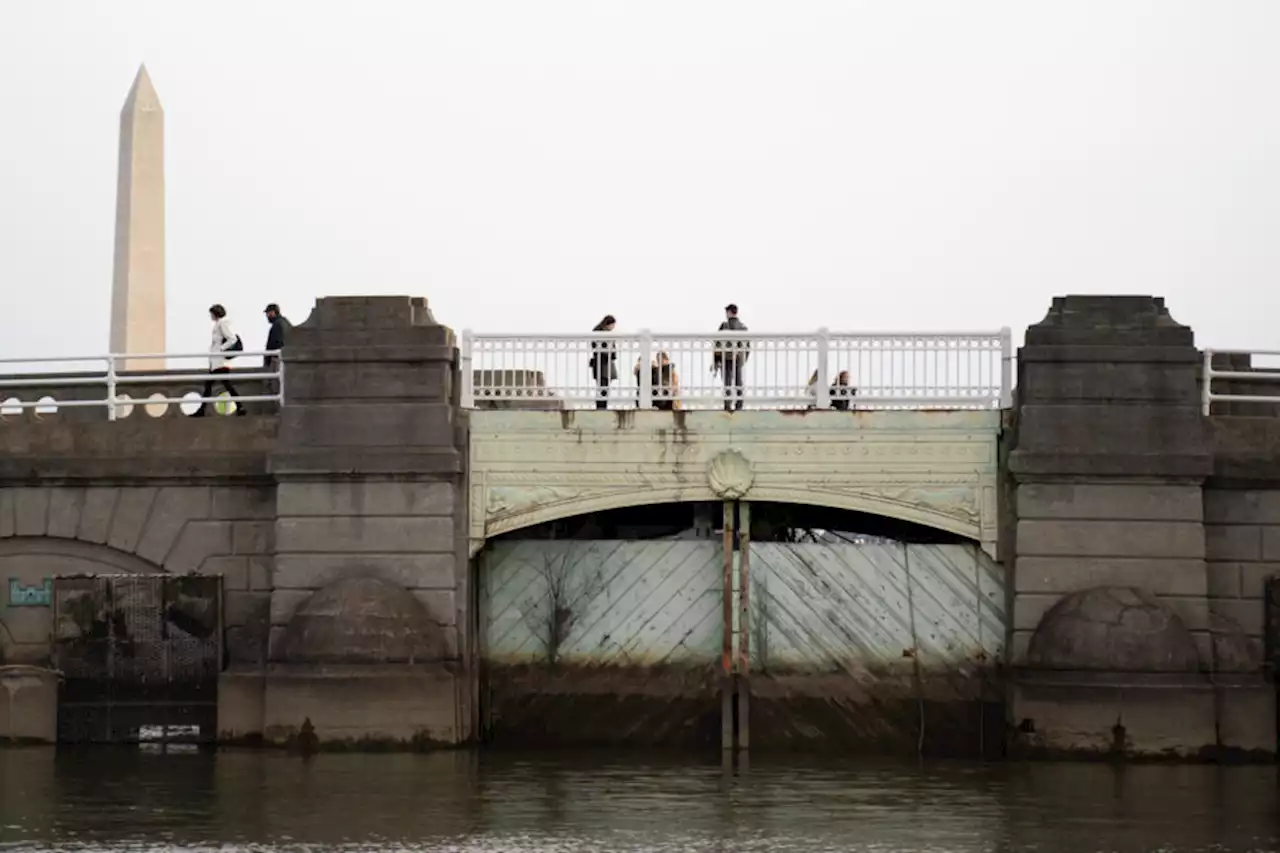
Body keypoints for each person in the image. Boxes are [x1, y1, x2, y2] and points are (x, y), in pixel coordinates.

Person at [191, 304, 245, 417]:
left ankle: (202, 410)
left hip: (220, 362)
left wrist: (221, 349)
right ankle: (240, 406)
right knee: (219, 384)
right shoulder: (219, 324)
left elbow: (232, 339)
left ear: (215, 313)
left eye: (211, 313)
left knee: (215, 385)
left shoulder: (222, 323)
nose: (210, 316)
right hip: (217, 362)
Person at [712, 303, 748, 411]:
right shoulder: (743, 328)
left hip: (726, 359)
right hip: (738, 359)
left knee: (727, 381)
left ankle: (727, 404)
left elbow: (717, 344)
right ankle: (739, 403)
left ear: (728, 312)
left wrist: (716, 360)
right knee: (738, 380)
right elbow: (747, 347)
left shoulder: (724, 327)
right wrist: (743, 359)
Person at [263, 303, 290, 404]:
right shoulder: (285, 323)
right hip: (284, 357)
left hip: (277, 358)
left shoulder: (277, 325)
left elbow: (274, 343)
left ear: (273, 313)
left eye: (268, 313)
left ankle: (278, 407)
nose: (267, 316)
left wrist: (268, 358)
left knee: (276, 384)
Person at [588, 314, 617, 410]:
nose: (613, 327)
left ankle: (602, 405)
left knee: (603, 384)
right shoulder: (601, 332)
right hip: (602, 362)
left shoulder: (601, 332)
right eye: (613, 325)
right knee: (603, 384)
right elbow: (600, 346)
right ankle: (601, 405)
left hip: (603, 362)